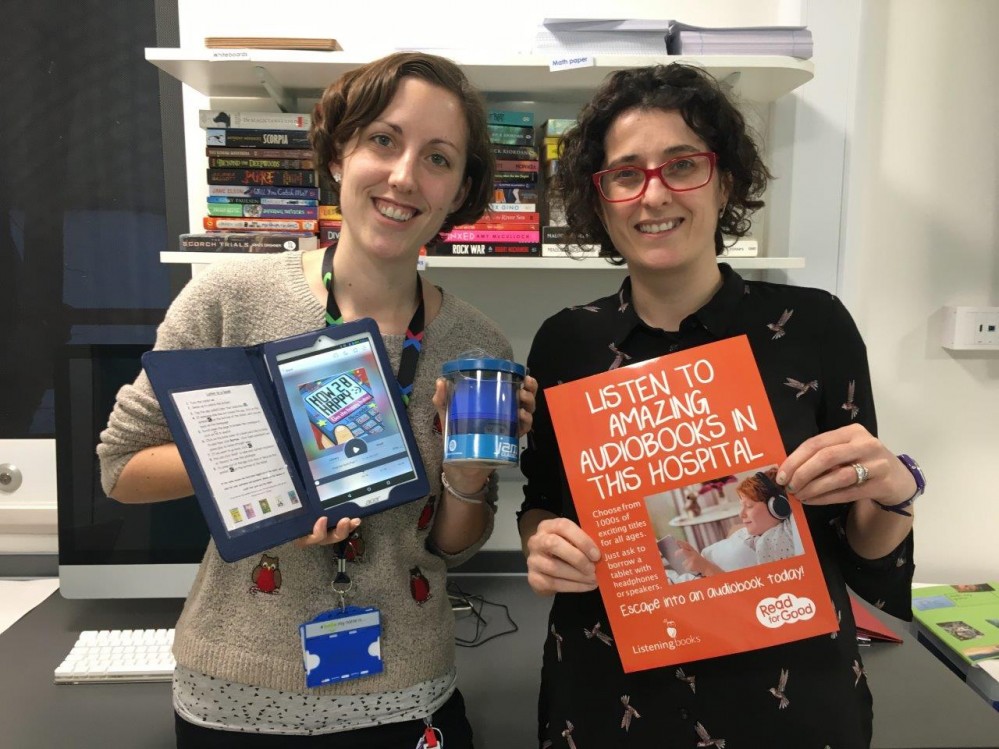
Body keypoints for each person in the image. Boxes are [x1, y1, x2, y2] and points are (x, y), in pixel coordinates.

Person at [98, 52, 536, 748]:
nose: (403, 177)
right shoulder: (229, 298)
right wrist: (275, 463)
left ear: (459, 192)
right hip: (237, 696)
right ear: (339, 154)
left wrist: (468, 472)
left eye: (438, 158)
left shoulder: (475, 345)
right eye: (383, 141)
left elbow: (449, 547)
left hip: (408, 694)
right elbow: (120, 468)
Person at [518, 63, 921, 748]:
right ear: (600, 197)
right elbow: (544, 502)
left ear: (724, 179)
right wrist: (541, 540)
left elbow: (862, 547)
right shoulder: (565, 341)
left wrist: (893, 491)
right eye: (624, 173)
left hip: (785, 700)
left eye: (681, 165)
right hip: (610, 693)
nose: (653, 195)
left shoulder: (813, 325)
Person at [671, 469, 800, 580]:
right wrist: (695, 558)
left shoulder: (778, 541)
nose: (741, 514)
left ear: (779, 508)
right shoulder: (753, 532)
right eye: (741, 505)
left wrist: (705, 567)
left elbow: (749, 594)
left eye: (749, 506)